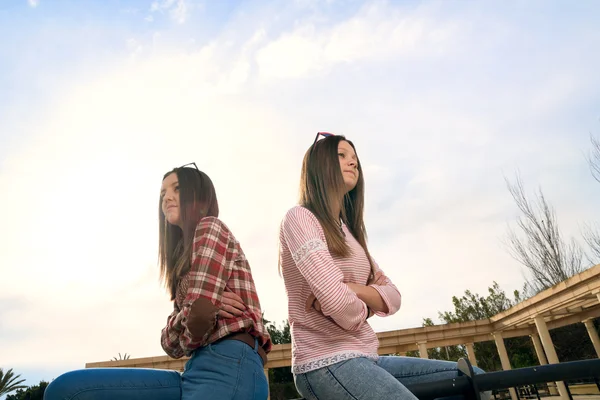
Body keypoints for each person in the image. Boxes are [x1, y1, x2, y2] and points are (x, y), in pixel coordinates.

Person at [278, 133, 487, 400]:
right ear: (319, 165)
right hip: (325, 361)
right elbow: (342, 309)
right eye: (342, 155)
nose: (353, 163)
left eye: (355, 158)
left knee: (474, 377)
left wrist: (352, 289)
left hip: (367, 357)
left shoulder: (349, 232)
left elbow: (393, 296)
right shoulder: (300, 218)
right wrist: (365, 301)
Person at [44, 163, 271, 400]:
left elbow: (199, 318)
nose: (167, 198)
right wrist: (194, 310)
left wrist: (198, 311)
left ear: (200, 198)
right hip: (193, 368)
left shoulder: (210, 226)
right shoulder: (181, 261)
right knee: (67, 390)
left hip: (231, 362)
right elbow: (170, 344)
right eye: (163, 193)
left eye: (177, 188)